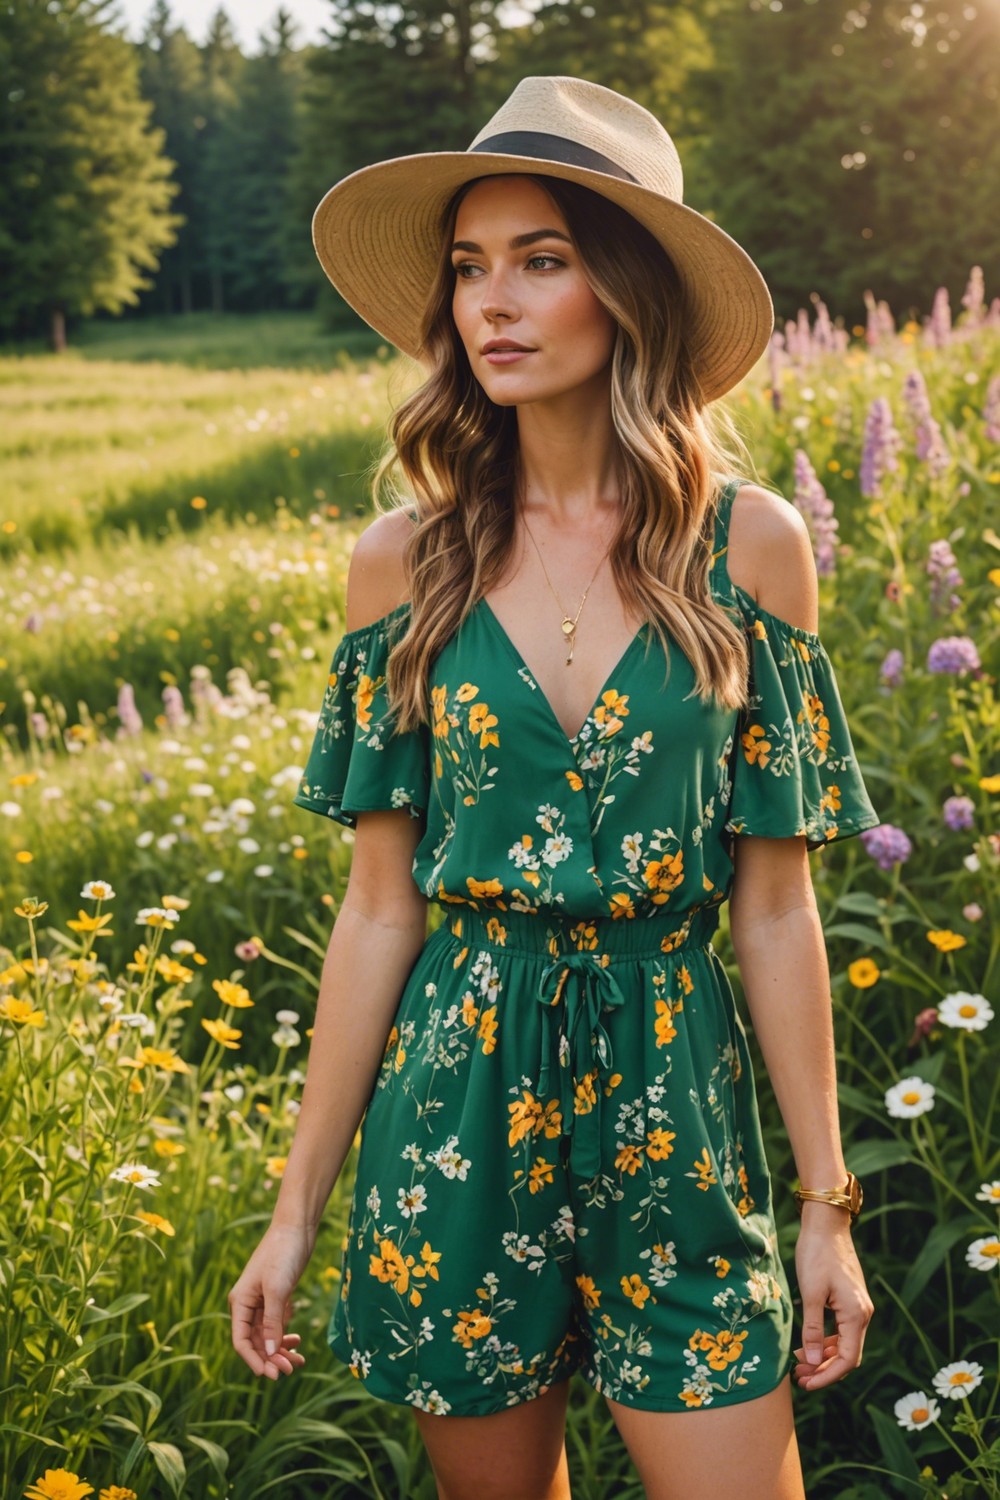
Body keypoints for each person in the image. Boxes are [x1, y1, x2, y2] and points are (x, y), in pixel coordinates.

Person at [229, 76, 879, 1500]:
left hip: (676, 1097)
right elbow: (380, 913)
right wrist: (297, 1211)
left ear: (627, 290)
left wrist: (825, 1208)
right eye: (470, 267)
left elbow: (775, 913)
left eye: (542, 259)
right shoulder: (404, 562)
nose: (492, 304)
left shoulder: (751, 552)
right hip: (458, 1105)